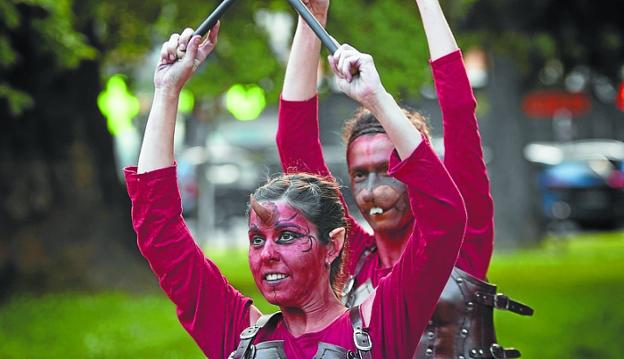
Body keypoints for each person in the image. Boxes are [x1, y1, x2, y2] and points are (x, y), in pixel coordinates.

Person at [125, 23, 467, 358]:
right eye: (257, 239)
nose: (267, 253)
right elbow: (159, 230)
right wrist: (166, 91)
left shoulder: (379, 326)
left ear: (332, 245)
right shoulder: (241, 340)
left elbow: (444, 218)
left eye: (287, 236)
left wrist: (376, 99)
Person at [276, 0, 533, 358]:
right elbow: (295, 145)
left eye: (389, 171)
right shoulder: (351, 257)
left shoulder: (459, 240)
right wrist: (312, 14)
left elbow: (458, 110)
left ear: (415, 172)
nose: (373, 192)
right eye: (359, 176)